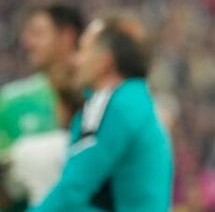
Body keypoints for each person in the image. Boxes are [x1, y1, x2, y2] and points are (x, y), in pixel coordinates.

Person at [28, 14, 173, 212]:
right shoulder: (135, 100)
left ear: (104, 62)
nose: (76, 60)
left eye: (83, 50)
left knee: (31, 156)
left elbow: (74, 188)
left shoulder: (111, 105)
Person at [0, 4, 85, 212]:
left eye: (38, 33)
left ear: (67, 36)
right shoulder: (11, 102)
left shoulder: (100, 98)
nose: (28, 43)